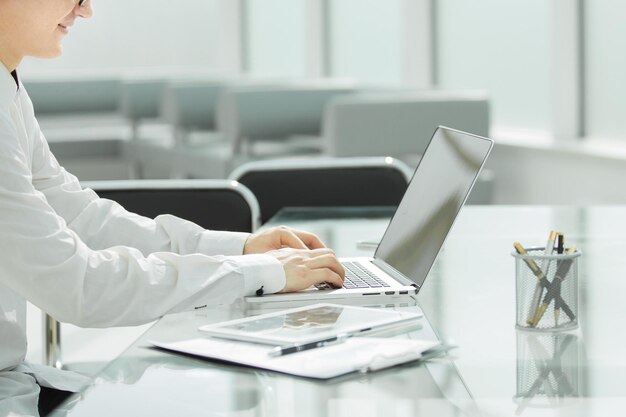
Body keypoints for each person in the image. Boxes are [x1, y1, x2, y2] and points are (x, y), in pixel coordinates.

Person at [0, 1, 345, 415]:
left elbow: (79, 214)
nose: (86, 9)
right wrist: (260, 273)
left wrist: (239, 250)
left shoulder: (8, 85)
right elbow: (80, 286)